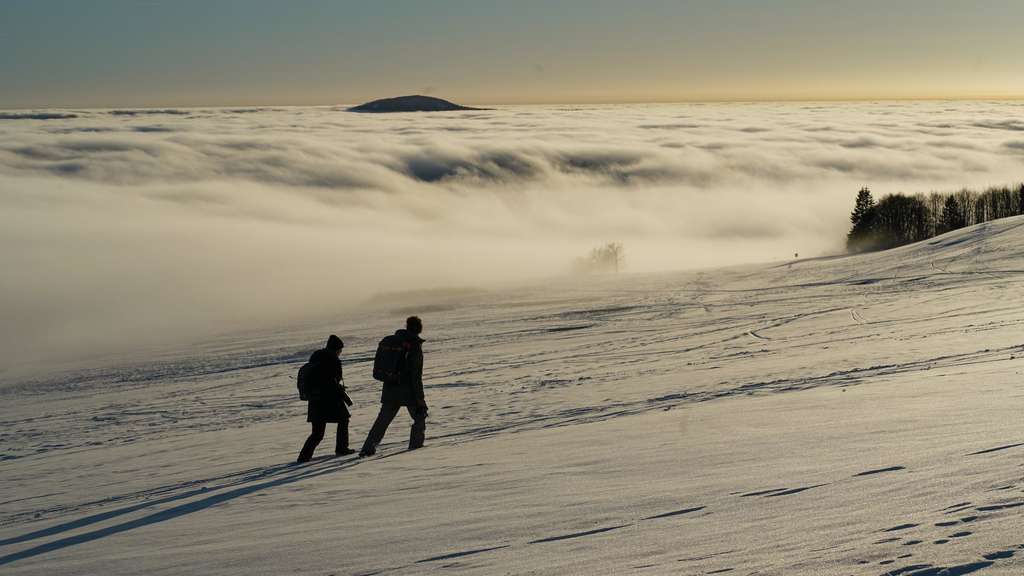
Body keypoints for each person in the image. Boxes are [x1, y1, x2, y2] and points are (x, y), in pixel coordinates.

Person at [360, 316, 427, 457]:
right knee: (420, 416)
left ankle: (368, 448)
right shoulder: (414, 345)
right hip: (408, 392)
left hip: (390, 388)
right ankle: (416, 449)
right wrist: (420, 399)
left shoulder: (394, 341)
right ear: (418, 328)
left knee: (382, 421)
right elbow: (416, 376)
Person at [297, 334, 354, 462]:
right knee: (344, 420)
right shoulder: (332, 360)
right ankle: (342, 448)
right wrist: (340, 391)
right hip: (330, 400)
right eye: (340, 350)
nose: (340, 352)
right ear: (336, 349)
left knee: (317, 433)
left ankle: (303, 457)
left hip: (315, 401)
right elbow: (332, 381)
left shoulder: (316, 358)